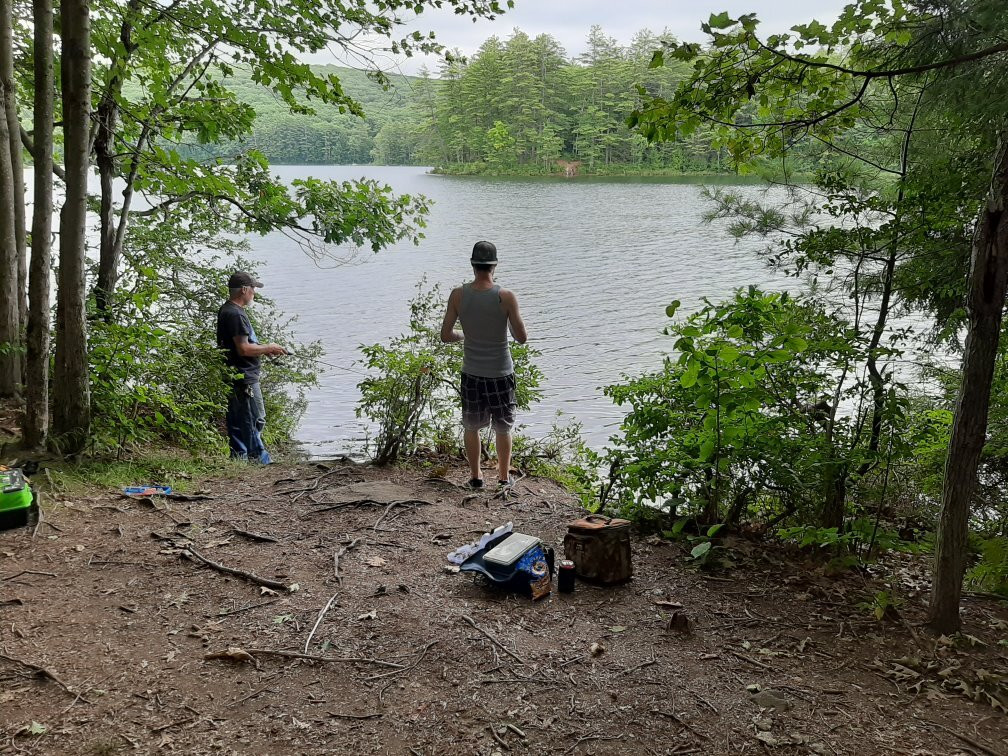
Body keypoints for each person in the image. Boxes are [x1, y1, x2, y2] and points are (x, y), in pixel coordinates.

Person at [441, 241, 528, 489]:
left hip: (472, 373)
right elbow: (521, 338)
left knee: (471, 426)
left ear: (472, 265)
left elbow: (446, 335)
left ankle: (476, 478)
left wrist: (464, 335)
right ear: (495, 265)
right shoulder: (505, 297)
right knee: (503, 427)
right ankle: (503, 478)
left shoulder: (458, 295)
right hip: (501, 373)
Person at [216, 271, 287, 464]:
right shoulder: (236, 315)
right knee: (255, 418)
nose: (254, 293)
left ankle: (239, 458)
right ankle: (259, 459)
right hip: (243, 375)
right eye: (253, 289)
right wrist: (269, 347)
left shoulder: (227, 310)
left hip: (234, 373)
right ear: (244, 290)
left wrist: (264, 350)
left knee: (239, 418)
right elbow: (244, 349)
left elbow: (242, 345)